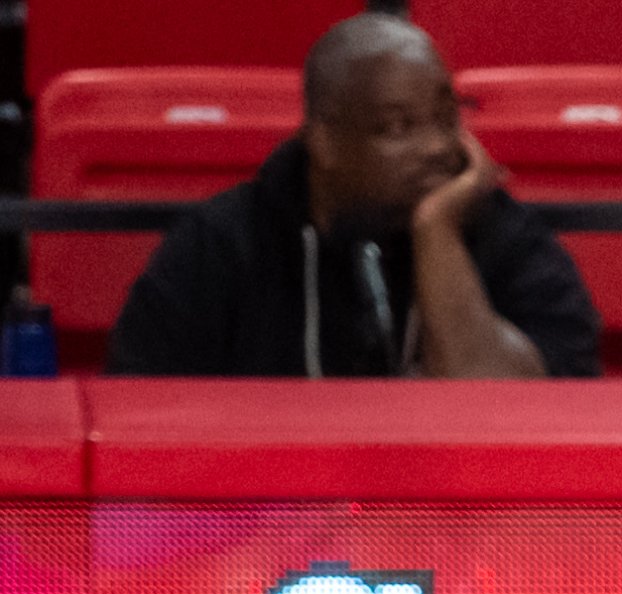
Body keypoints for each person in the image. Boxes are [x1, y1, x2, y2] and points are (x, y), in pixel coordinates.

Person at [108, 15, 597, 379]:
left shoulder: (509, 240)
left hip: (456, 516)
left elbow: (514, 417)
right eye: (395, 127)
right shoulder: (219, 246)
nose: (436, 146)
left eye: (446, 119)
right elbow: (142, 427)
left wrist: (436, 232)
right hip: (264, 514)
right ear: (324, 143)